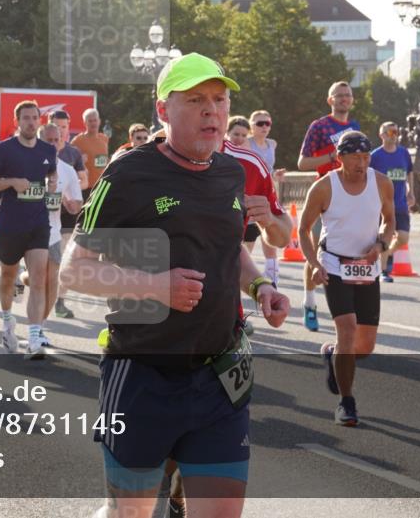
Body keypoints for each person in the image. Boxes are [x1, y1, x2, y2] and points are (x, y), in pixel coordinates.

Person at [60, 53, 289, 517]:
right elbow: (74, 269)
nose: (213, 111)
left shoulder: (229, 172)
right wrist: (156, 287)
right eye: (196, 100)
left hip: (218, 376)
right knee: (132, 513)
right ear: (164, 110)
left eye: (220, 100)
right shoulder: (129, 173)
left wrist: (261, 288)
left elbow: (230, 249)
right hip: (143, 373)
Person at [299, 130, 395, 426]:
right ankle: (346, 402)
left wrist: (380, 245)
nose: (362, 163)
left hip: (367, 268)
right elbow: (303, 230)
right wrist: (315, 263)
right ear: (340, 158)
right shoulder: (323, 188)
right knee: (347, 329)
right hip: (336, 265)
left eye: (366, 157)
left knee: (363, 348)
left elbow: (390, 220)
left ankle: (333, 355)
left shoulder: (381, 182)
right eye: (355, 158)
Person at [0, 101, 56, 359]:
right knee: (8, 277)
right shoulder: (3, 149)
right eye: (26, 118)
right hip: (11, 224)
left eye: (35, 118)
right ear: (17, 121)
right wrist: (12, 182)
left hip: (38, 222)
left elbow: (51, 175)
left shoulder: (47, 149)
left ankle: (34, 338)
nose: (31, 122)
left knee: (38, 277)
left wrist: (54, 185)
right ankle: (6, 320)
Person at [297, 81, 360, 331]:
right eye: (339, 96)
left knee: (349, 253)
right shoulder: (320, 127)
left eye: (348, 95)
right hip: (324, 195)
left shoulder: (354, 128)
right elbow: (302, 163)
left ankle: (345, 310)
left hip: (350, 196)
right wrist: (333, 157)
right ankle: (310, 303)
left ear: (352, 100)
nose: (344, 99)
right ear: (330, 100)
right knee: (316, 252)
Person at [37, 122, 82, 339]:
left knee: (52, 282)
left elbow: (78, 203)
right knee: (38, 281)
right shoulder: (28, 165)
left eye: (56, 140)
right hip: (28, 231)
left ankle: (39, 328)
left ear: (62, 142)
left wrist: (72, 205)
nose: (53, 144)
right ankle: (34, 329)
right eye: (48, 140)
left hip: (53, 232)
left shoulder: (68, 170)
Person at [49, 109, 88, 318]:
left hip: (67, 211)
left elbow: (85, 180)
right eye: (58, 126)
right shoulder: (43, 150)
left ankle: (60, 301)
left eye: (65, 127)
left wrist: (68, 191)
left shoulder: (72, 154)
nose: (62, 131)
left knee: (63, 258)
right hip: (44, 213)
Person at [245, 110, 286, 285]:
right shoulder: (246, 143)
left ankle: (272, 277)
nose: (264, 127)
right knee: (248, 239)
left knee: (269, 233)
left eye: (267, 123)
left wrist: (275, 174)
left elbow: (268, 170)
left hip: (268, 194)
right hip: (251, 195)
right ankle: (243, 275)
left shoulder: (272, 144)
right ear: (251, 126)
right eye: (260, 123)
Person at [369, 122, 415, 282]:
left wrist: (411, 193)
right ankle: (383, 272)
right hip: (381, 205)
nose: (394, 135)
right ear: (381, 135)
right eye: (389, 132)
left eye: (396, 131)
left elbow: (409, 173)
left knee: (403, 237)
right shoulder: (375, 156)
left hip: (401, 204)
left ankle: (386, 254)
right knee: (384, 237)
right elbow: (367, 178)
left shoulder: (404, 153)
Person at [71, 108, 109, 200]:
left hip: (101, 185)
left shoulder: (104, 138)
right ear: (85, 123)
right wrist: (79, 160)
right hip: (86, 187)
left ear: (99, 121)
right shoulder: (78, 141)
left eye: (95, 120)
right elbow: (68, 162)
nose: (93, 123)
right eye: (90, 121)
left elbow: (103, 160)